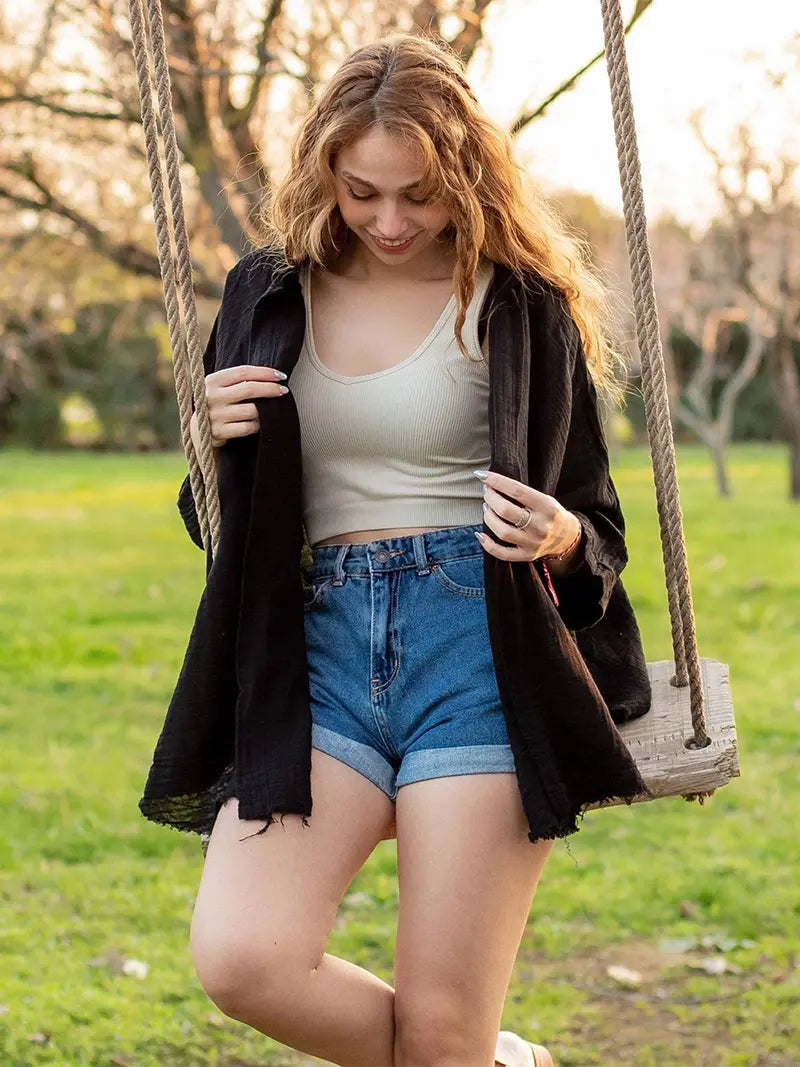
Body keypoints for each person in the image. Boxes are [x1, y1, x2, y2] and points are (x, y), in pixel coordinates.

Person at [147, 30, 652, 1067]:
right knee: (244, 959)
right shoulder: (266, 292)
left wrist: (557, 537)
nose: (386, 220)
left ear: (463, 174)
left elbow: (594, 525)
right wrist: (212, 446)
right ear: (324, 172)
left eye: (416, 195)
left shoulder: (518, 305)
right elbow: (219, 531)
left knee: (436, 1035)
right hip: (317, 652)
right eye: (360, 191)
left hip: (481, 648)